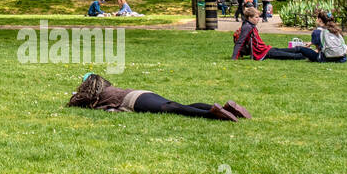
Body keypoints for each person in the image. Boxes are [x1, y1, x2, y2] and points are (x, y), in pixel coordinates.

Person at [68, 73, 249, 121]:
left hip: (133, 101)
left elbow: (73, 102)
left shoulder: (93, 97)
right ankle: (223, 109)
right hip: (143, 93)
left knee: (173, 108)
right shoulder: (109, 88)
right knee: (175, 104)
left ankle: (212, 113)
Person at [232, 6, 316, 60]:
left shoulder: (249, 25)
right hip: (261, 53)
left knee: (279, 50)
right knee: (288, 55)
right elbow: (240, 42)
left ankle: (300, 49)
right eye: (256, 17)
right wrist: (234, 57)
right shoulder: (247, 27)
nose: (258, 19)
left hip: (265, 49)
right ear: (249, 18)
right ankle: (310, 54)